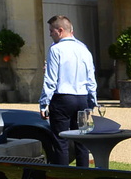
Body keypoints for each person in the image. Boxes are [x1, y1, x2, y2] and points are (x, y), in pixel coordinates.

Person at [39, 15, 97, 165]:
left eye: (51, 31)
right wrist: (92, 101)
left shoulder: (56, 49)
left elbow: (51, 79)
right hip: (82, 98)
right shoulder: (84, 49)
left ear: (60, 30)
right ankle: (83, 177)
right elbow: (91, 78)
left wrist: (44, 103)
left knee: (61, 143)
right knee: (83, 142)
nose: (50, 34)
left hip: (63, 99)